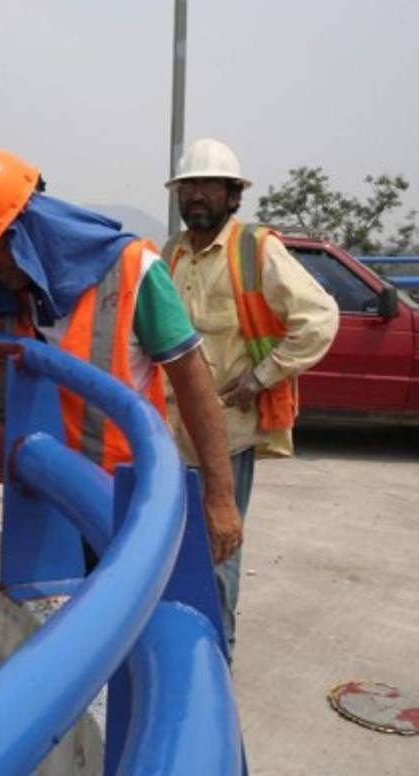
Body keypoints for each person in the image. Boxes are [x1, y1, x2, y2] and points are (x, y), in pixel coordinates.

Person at [0, 147, 242, 566]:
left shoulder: (135, 270)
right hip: (37, 490)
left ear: (25, 230)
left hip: (119, 499)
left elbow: (193, 382)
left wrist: (221, 497)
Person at [163, 137, 338, 652]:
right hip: (169, 433)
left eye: (208, 186)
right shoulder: (168, 254)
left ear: (233, 196)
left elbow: (319, 320)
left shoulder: (255, 249)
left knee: (219, 552)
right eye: (189, 185)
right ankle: (176, 652)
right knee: (169, 551)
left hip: (225, 434)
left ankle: (216, 663)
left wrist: (261, 378)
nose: (197, 195)